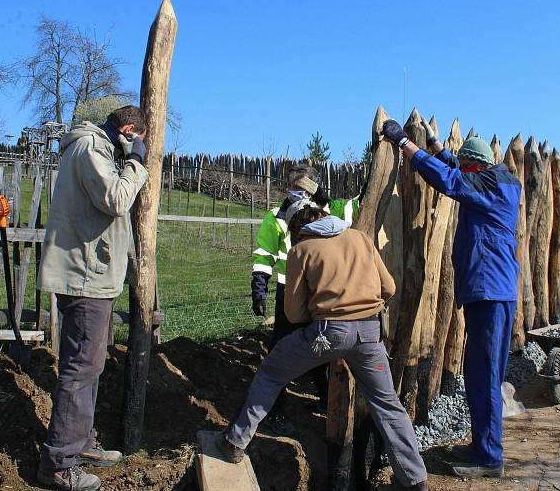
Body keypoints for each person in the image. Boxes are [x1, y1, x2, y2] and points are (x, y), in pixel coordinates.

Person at [219, 204, 429, 490]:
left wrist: (322, 309)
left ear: (298, 230)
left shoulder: (301, 251)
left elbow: (294, 314)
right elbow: (389, 287)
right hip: (370, 334)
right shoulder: (359, 238)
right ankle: (416, 480)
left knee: (271, 373)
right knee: (388, 405)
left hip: (327, 334)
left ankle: (235, 441)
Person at [382, 119, 521, 478]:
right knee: (480, 374)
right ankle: (482, 445)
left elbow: (453, 181)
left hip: (490, 292)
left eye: (467, 164)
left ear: (478, 166)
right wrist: (438, 147)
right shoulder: (497, 179)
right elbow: (461, 172)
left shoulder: (492, 187)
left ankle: (489, 457)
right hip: (491, 291)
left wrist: (405, 145)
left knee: (485, 375)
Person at [36, 106, 149, 491]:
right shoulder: (90, 148)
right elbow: (116, 199)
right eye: (136, 140)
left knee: (90, 366)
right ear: (130, 130)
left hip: (93, 273)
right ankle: (58, 464)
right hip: (84, 275)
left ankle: (80, 443)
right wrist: (136, 162)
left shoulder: (96, 148)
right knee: (80, 370)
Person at [250, 164, 359, 433]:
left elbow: (356, 207)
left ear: (313, 187)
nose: (297, 192)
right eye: (293, 187)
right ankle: (274, 411)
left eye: (303, 187)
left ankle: (325, 401)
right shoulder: (276, 216)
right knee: (282, 352)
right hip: (290, 293)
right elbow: (265, 254)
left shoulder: (328, 209)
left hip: (320, 293)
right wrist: (259, 286)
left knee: (324, 349)